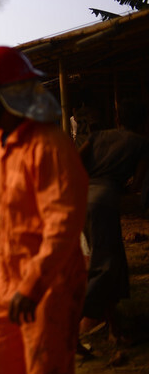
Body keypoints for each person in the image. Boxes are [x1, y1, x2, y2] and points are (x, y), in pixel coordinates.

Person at [0, 46, 88, 374]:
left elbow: (63, 224)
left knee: (44, 369)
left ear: (5, 98)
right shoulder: (2, 143)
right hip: (8, 274)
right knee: (5, 366)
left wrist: (32, 285)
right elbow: (8, 216)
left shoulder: (49, 145)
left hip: (48, 282)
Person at [78, 99, 149, 342]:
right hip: (105, 201)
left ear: (118, 119)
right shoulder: (142, 144)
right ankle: (73, 316)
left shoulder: (98, 136)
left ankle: (115, 330)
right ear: (144, 124)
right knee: (105, 267)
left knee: (113, 264)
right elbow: (137, 185)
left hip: (83, 198)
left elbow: (76, 159)